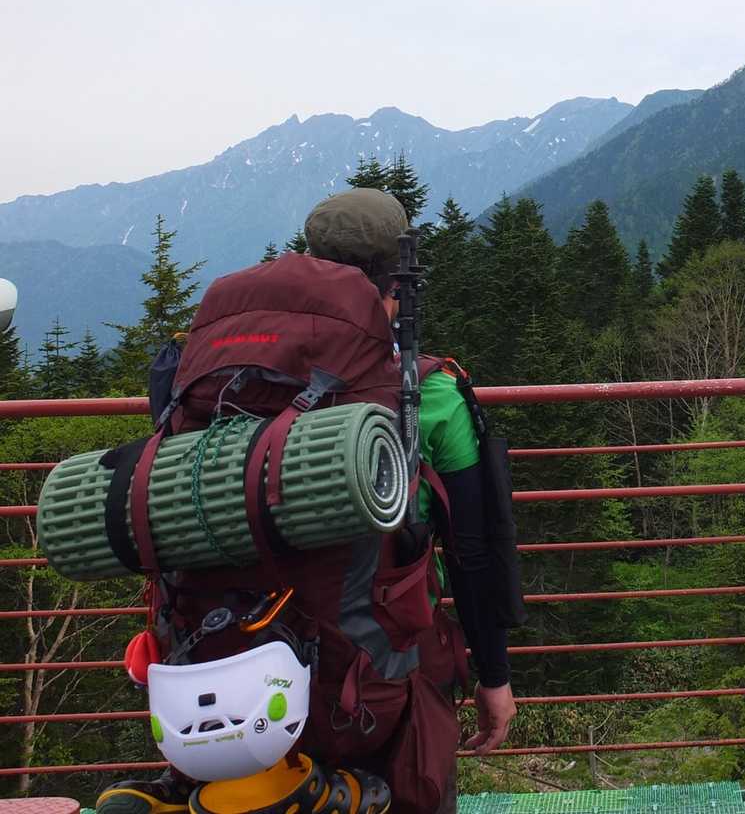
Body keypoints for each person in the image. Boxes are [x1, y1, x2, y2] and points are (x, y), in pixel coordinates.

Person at [97, 189, 518, 814]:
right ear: (396, 285)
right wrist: (494, 676)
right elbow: (475, 550)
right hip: (367, 688)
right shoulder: (425, 393)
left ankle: (198, 784)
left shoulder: (206, 376)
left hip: (217, 671)